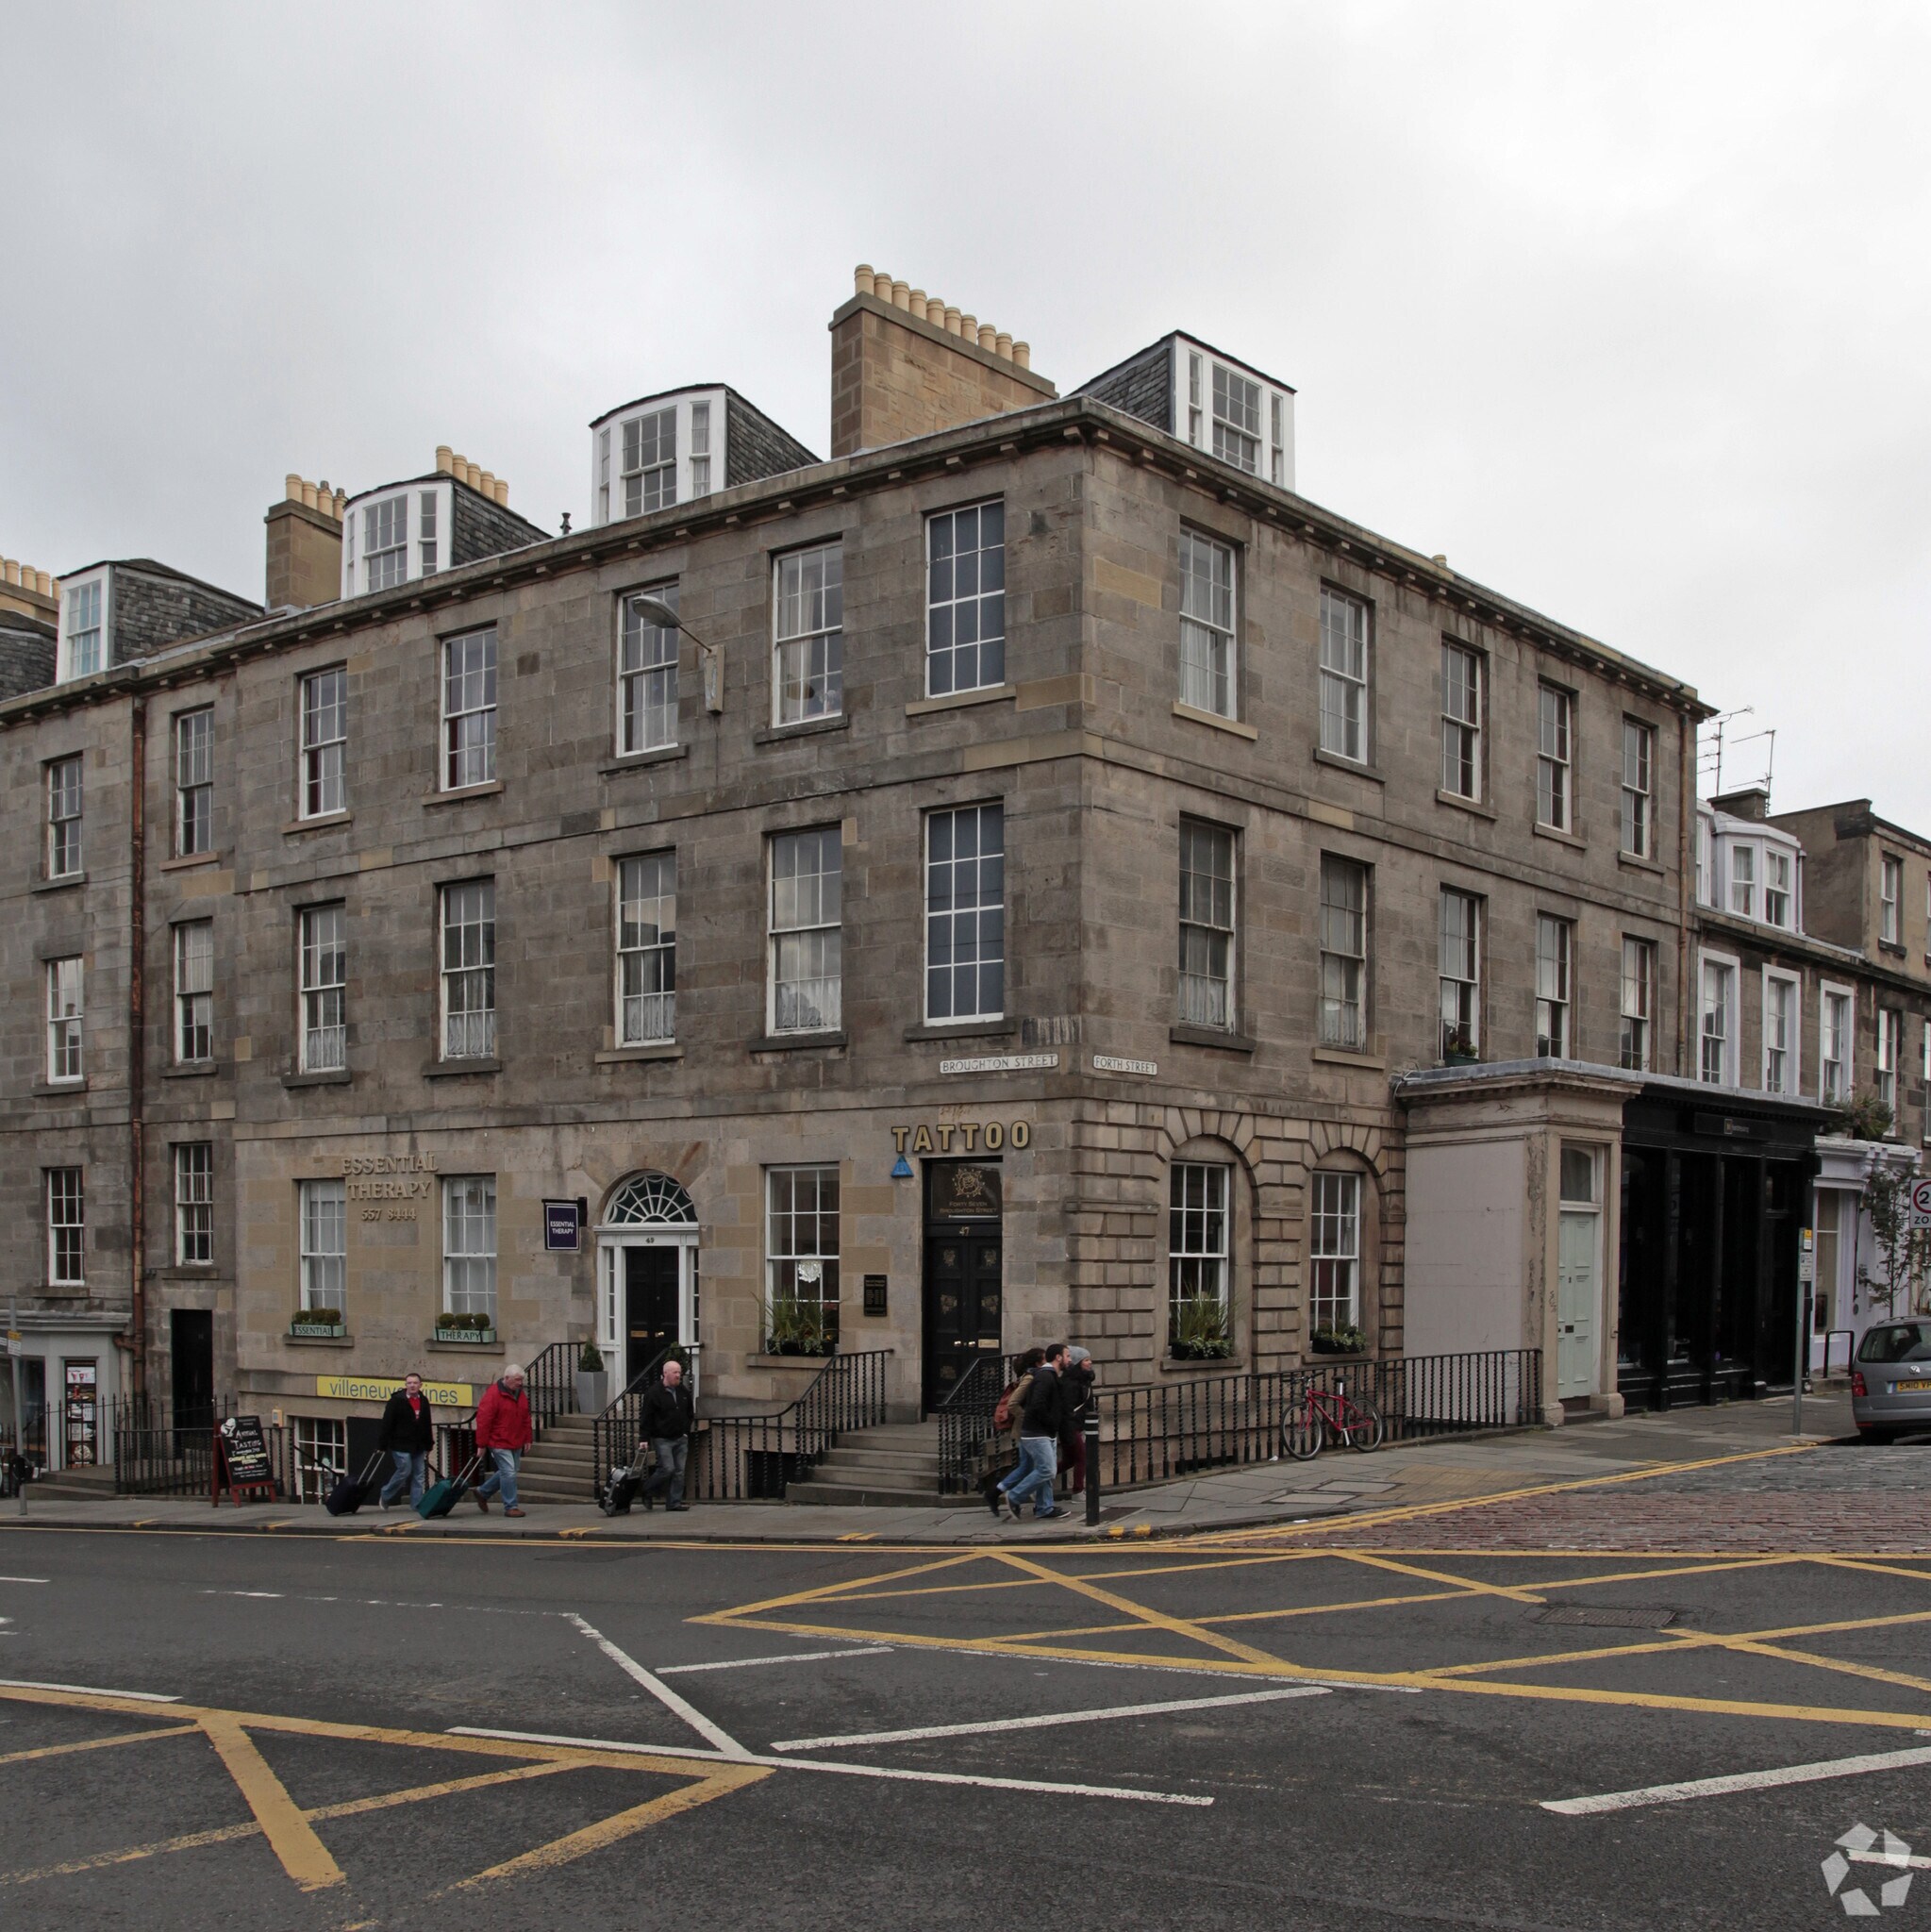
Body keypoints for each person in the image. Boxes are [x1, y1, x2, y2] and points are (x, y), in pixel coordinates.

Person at [996, 1341, 1069, 1522]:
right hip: (1036, 1433)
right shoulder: (1045, 1377)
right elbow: (1036, 1405)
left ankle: (1044, 1508)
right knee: (1047, 1470)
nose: (1070, 1359)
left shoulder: (1050, 1376)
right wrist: (1051, 1422)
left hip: (1043, 1432)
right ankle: (1014, 1496)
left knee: (1042, 1470)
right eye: (1067, 1356)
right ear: (1058, 1358)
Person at [983, 1347, 1044, 1514]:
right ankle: (1009, 1495)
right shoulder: (1030, 1378)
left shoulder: (1036, 1376)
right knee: (1039, 1468)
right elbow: (1012, 1403)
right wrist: (1028, 1418)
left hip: (1026, 1430)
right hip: (1026, 1430)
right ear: (1038, 1362)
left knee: (1029, 1466)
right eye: (1044, 1359)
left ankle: (998, 1493)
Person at [637, 1357, 696, 1511]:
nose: (678, 1375)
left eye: (679, 1372)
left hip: (680, 1437)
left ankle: (674, 1503)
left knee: (679, 1472)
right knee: (667, 1469)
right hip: (662, 1438)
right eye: (675, 1372)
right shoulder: (654, 1393)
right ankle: (646, 1489)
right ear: (665, 1374)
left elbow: (690, 1412)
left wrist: (685, 1430)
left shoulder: (683, 1391)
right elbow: (646, 1417)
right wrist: (644, 1438)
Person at [474, 1363, 531, 1517]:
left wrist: (528, 1438)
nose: (520, 1383)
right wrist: (482, 1444)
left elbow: (525, 1416)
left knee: (511, 1471)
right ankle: (510, 1506)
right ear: (507, 1378)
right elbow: (484, 1420)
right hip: (499, 1440)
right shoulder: (493, 1394)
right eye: (517, 1380)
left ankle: (483, 1492)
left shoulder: (520, 1394)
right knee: (509, 1473)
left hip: (516, 1439)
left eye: (521, 1380)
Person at [376, 1372, 434, 1508]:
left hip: (418, 1444)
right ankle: (385, 1494)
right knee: (404, 1471)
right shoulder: (396, 1401)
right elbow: (387, 1423)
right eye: (409, 1383)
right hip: (400, 1444)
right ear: (405, 1385)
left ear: (420, 1385)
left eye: (415, 1383)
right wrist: (382, 1444)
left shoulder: (423, 1400)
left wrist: (429, 1444)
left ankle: (416, 1504)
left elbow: (427, 1422)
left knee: (419, 1476)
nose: (412, 1385)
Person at [1060, 1345, 1095, 1497]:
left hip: (1077, 1424)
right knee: (1082, 1457)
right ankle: (1078, 1491)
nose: (1090, 1363)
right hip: (1070, 1425)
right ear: (1077, 1362)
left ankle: (1040, 1481)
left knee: (1069, 1460)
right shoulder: (1070, 1382)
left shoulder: (1084, 1379)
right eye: (1086, 1360)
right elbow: (1067, 1407)